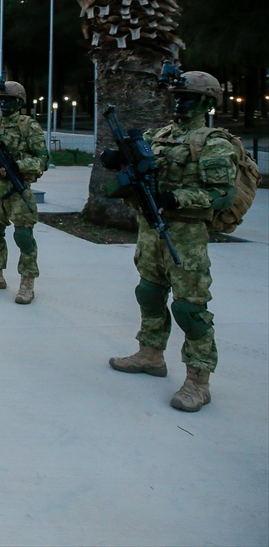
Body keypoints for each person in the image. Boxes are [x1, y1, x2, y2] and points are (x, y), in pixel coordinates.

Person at [105, 70, 238, 412]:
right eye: (177, 96)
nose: (180, 102)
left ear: (207, 102)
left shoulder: (213, 142)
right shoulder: (161, 134)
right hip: (151, 228)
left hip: (185, 234)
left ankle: (198, 380)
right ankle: (150, 354)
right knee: (148, 291)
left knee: (189, 308)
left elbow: (221, 195)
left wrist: (177, 199)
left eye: (188, 97)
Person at [0, 78, 49, 304]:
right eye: (2, 100)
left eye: (10, 100)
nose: (5, 104)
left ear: (20, 102)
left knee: (23, 235)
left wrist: (14, 167)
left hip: (17, 188)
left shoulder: (28, 126)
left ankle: (27, 282)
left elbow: (42, 160)